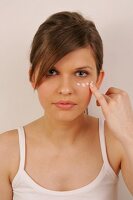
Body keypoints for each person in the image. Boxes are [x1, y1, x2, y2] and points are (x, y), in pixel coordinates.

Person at [0, 11, 133, 200]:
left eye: (80, 73)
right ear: (32, 77)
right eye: (51, 72)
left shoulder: (115, 141)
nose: (65, 89)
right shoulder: (6, 150)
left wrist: (128, 133)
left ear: (99, 78)